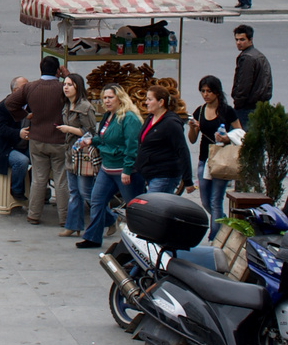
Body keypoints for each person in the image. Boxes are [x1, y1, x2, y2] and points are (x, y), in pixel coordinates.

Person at [3, 57, 71, 228]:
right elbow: (81, 93)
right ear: (57, 71)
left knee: (39, 178)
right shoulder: (63, 88)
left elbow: (10, 103)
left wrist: (25, 115)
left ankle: (33, 215)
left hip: (37, 138)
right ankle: (64, 217)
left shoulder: (30, 87)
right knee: (61, 179)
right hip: (59, 139)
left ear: (41, 69)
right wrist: (67, 75)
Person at [76, 86, 144, 249]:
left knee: (133, 206)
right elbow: (104, 137)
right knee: (97, 201)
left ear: (119, 98)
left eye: (110, 97)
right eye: (104, 97)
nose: (106, 101)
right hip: (107, 169)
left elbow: (132, 146)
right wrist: (92, 141)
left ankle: (141, 240)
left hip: (123, 170)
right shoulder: (108, 116)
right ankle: (92, 237)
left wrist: (127, 170)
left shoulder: (129, 118)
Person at [188, 75, 241, 235]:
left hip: (222, 159)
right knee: (205, 201)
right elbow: (192, 140)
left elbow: (240, 132)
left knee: (216, 200)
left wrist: (226, 138)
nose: (205, 94)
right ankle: (224, 222)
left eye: (209, 91)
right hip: (205, 160)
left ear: (217, 92)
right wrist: (192, 128)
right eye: (203, 91)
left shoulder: (227, 111)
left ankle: (215, 236)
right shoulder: (200, 110)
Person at [133, 85, 193, 196]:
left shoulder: (171, 123)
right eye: (146, 99)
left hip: (164, 175)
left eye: (150, 99)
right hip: (149, 173)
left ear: (161, 102)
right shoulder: (151, 118)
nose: (146, 102)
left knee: (152, 207)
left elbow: (182, 150)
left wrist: (187, 180)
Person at [58, 73, 97, 239]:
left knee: (85, 192)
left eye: (70, 85)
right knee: (74, 192)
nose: (66, 87)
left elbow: (91, 132)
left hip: (83, 156)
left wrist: (68, 129)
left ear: (78, 87)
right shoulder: (67, 106)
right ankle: (73, 225)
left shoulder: (86, 108)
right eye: (65, 84)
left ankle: (110, 219)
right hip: (70, 154)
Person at [0, 77, 30, 203]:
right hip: (5, 149)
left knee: (41, 159)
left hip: (24, 146)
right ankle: (16, 189)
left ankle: (32, 186)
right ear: (16, 91)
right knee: (22, 161)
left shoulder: (29, 106)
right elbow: (0, 128)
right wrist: (18, 133)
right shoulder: (3, 107)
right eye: (25, 88)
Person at [230, 25, 272, 122]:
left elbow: (243, 84)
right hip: (259, 105)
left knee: (238, 135)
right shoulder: (258, 55)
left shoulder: (247, 58)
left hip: (247, 107)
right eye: (236, 40)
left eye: (242, 39)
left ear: (250, 40)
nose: (238, 43)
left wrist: (238, 103)